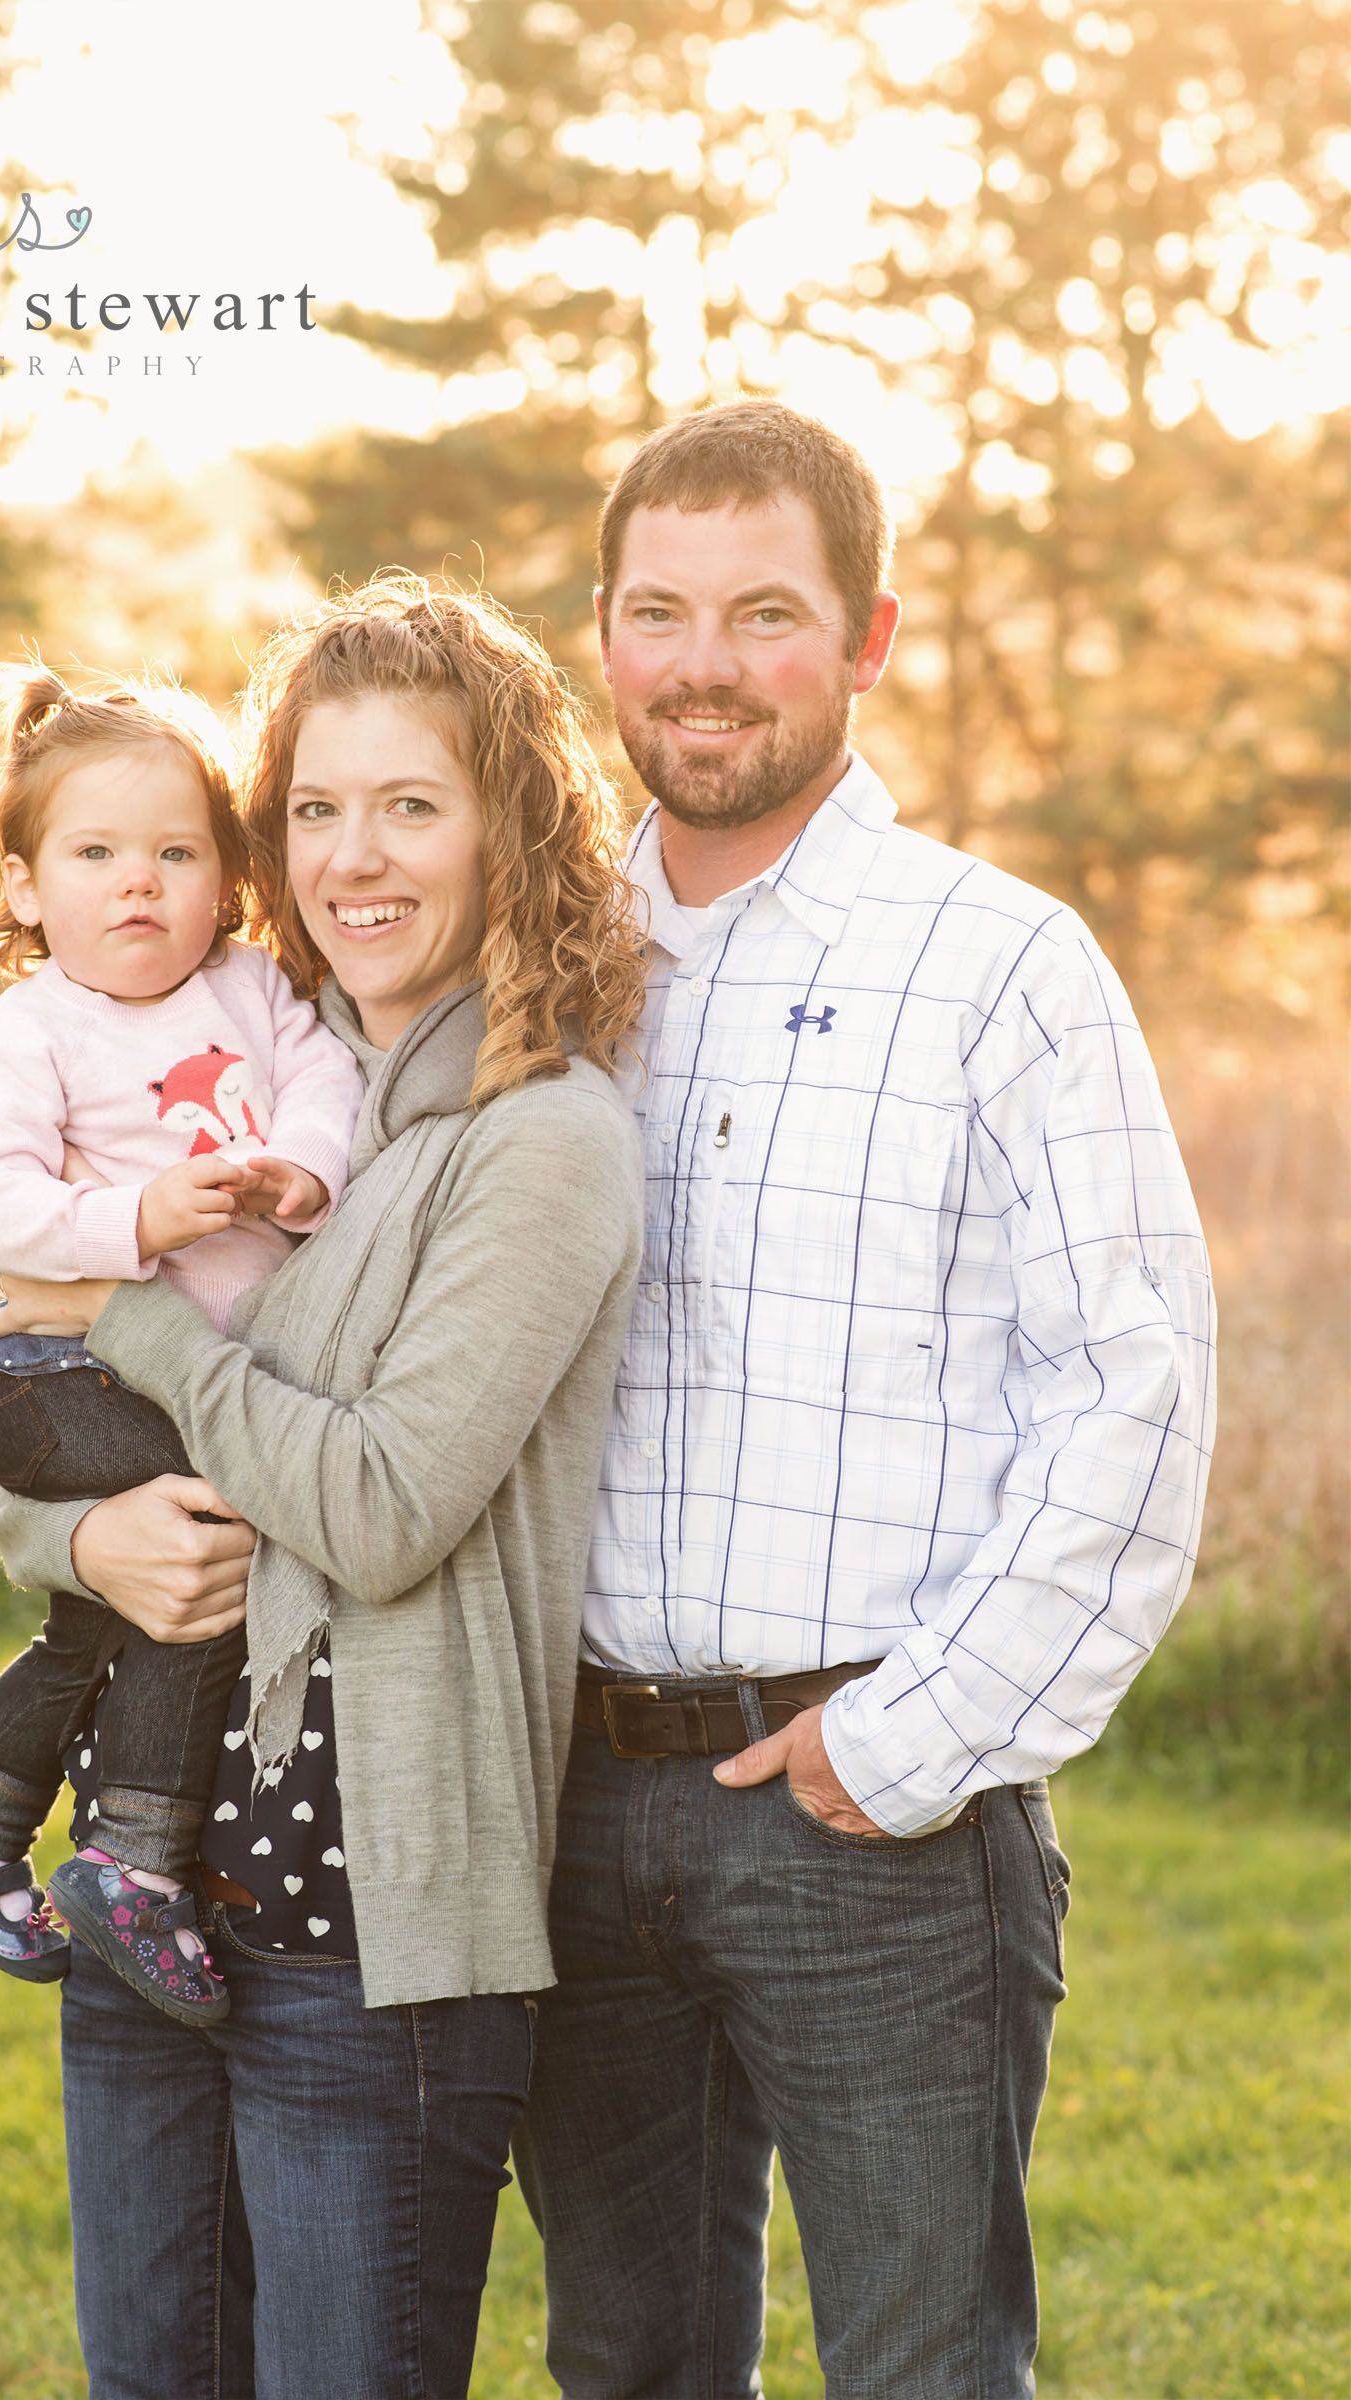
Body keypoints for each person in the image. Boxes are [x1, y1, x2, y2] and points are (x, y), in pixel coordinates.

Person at [518, 398, 1216, 2399]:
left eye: (764, 612)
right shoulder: (541, 964)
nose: (705, 664)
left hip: (872, 1821)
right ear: (603, 634)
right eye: (659, 611)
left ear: (871, 637)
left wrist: (907, 1744)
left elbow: (1135, 1397)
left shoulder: (1001, 968)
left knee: (920, 2373)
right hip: (573, 1801)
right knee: (628, 2369)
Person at [0, 575, 648, 2399]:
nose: (356, 856)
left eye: (412, 804)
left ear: (509, 830)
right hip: (146, 1893)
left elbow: (375, 1507)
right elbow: (32, 1401)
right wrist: (77, 1533)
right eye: (317, 808)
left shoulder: (547, 1140)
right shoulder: (224, 1090)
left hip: (376, 1944)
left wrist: (137, 1313)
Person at [0, 664, 354, 2024]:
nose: (138, 883)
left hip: (154, 1370)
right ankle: (133, 1865)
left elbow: (327, 1081)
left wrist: (305, 1174)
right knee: (208, 1530)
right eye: (95, 854)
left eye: (175, 853)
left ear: (229, 878)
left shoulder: (254, 990)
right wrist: (135, 1215)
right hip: (48, 1384)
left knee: (102, 1617)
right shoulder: (36, 1027)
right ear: (28, 886)